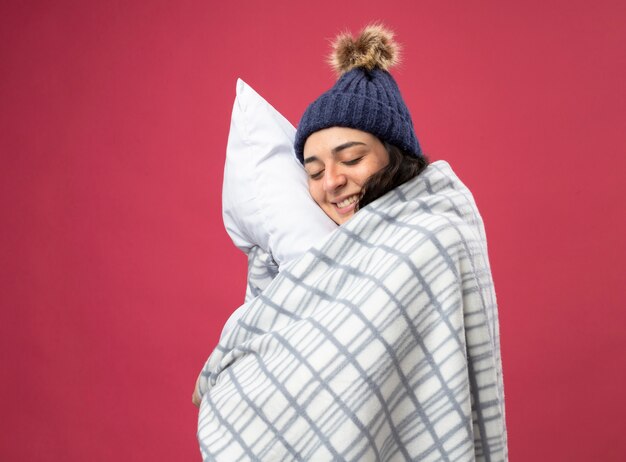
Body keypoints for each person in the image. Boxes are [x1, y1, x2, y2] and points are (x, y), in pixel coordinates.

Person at [194, 24, 507, 461]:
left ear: (394, 153)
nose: (333, 182)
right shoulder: (325, 255)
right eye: (315, 171)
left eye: (352, 158)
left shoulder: (432, 235)